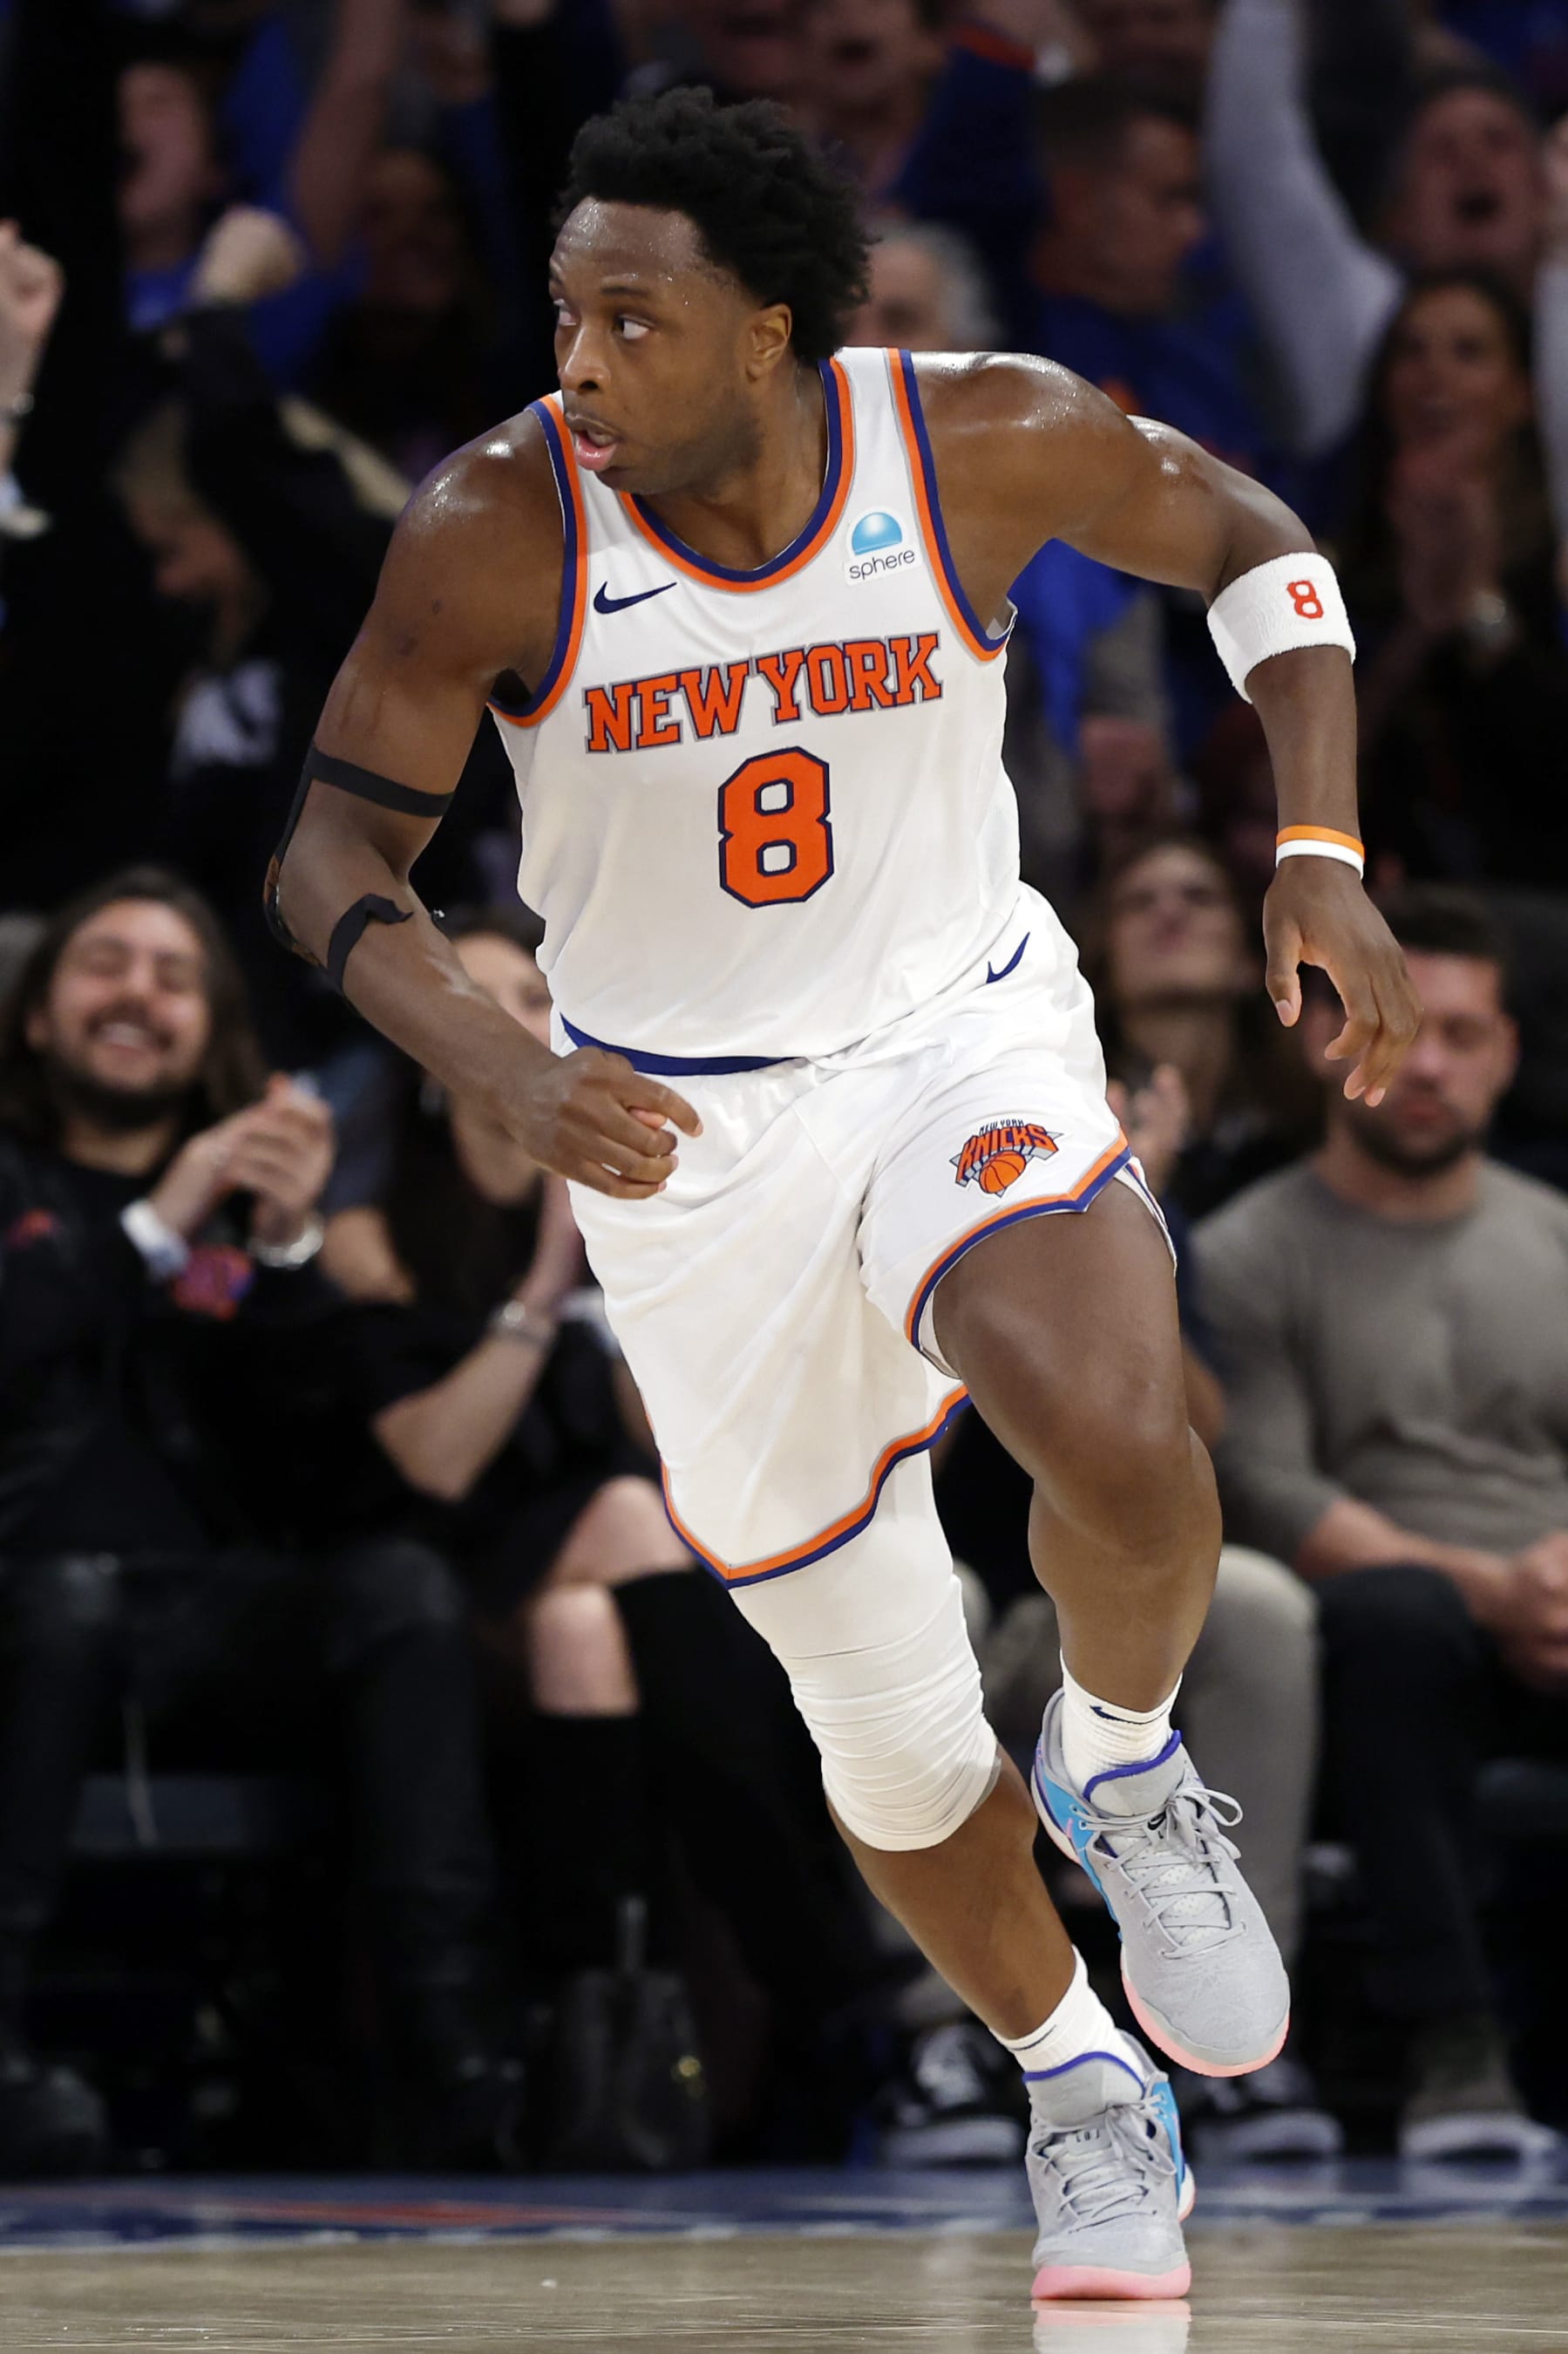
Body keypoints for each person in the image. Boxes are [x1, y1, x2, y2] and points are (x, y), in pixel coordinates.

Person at [268, 85, 1416, 2300]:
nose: (581, 362)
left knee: (1118, 1427)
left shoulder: (972, 437)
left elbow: (1261, 545)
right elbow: (331, 855)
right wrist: (500, 1059)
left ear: (773, 327)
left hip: (946, 1033)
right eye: (565, 311)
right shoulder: (495, 521)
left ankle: (1129, 1752)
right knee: (882, 1719)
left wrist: (1321, 843)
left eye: (633, 318)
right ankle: (1080, 2073)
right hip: (681, 1140)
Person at [0, 870, 519, 2175]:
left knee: (396, 1587)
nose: (138, 995)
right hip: (26, 1607)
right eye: (104, 965)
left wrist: (284, 1256)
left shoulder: (247, 1208)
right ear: (37, 1019)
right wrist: (148, 1232)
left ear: (212, 1026)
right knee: (58, 1604)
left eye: (173, 977)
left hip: (198, 1616)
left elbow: (321, 1483)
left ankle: (444, 2050)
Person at [322, 907, 884, 2053]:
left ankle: (596, 2032)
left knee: (592, 1622)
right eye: (472, 1007)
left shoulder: (627, 1201)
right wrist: (542, 1283)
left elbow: (681, 1437)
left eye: (534, 1003)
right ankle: (830, 1983)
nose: (516, 1030)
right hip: (429, 1583)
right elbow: (434, 1464)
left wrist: (635, 1268)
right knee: (637, 1533)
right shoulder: (375, 1234)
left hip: (600, 1582)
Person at [1193, 885, 1568, 2161]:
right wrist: (1489, 1590)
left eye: (1462, 1032)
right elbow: (1272, 1495)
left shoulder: (1555, 1238)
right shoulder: (1249, 1250)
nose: (1431, 1061)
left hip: (1555, 1608)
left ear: (1505, 1052)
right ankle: (1451, 2052)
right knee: (1386, 1624)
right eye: (1399, 1023)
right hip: (1394, 1630)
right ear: (1326, 1036)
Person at [1338, 270, 1568, 891]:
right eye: (1410, 352)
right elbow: (1285, 779)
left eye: (1468, 352)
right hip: (1381, 905)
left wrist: (1476, 605)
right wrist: (1415, 633)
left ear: (1521, 395)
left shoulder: (1555, 563)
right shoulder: (1330, 556)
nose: (1432, 377)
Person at [1082, 833, 1319, 1218]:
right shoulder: (1070, 1117)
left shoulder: (1309, 1118)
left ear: (1250, 959)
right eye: (1139, 903)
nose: (1169, 914)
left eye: (1200, 897)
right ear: (1104, 962)